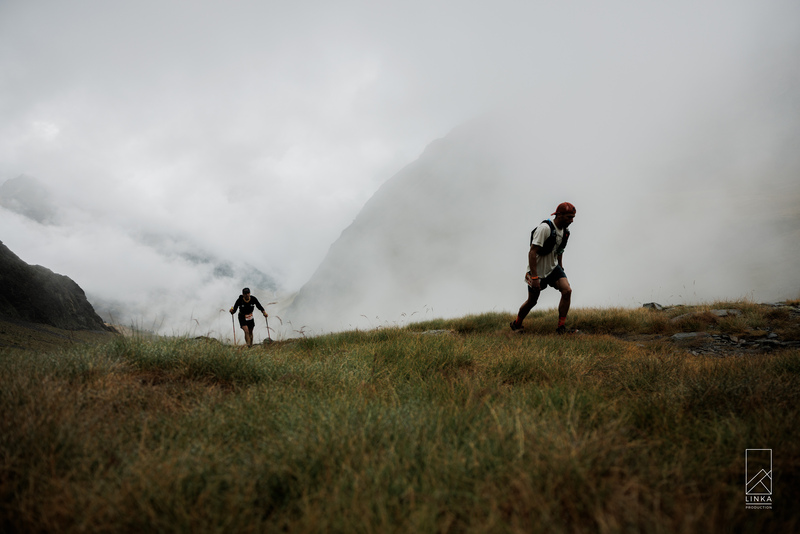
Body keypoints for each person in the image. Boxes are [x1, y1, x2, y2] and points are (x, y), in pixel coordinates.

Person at [511, 202, 576, 334]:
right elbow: (532, 252)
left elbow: (560, 251)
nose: (572, 220)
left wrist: (561, 268)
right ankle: (517, 324)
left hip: (553, 268)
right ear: (560, 215)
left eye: (573, 217)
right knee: (532, 301)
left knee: (567, 291)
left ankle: (561, 328)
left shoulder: (565, 232)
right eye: (569, 217)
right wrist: (534, 277)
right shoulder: (544, 229)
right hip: (537, 272)